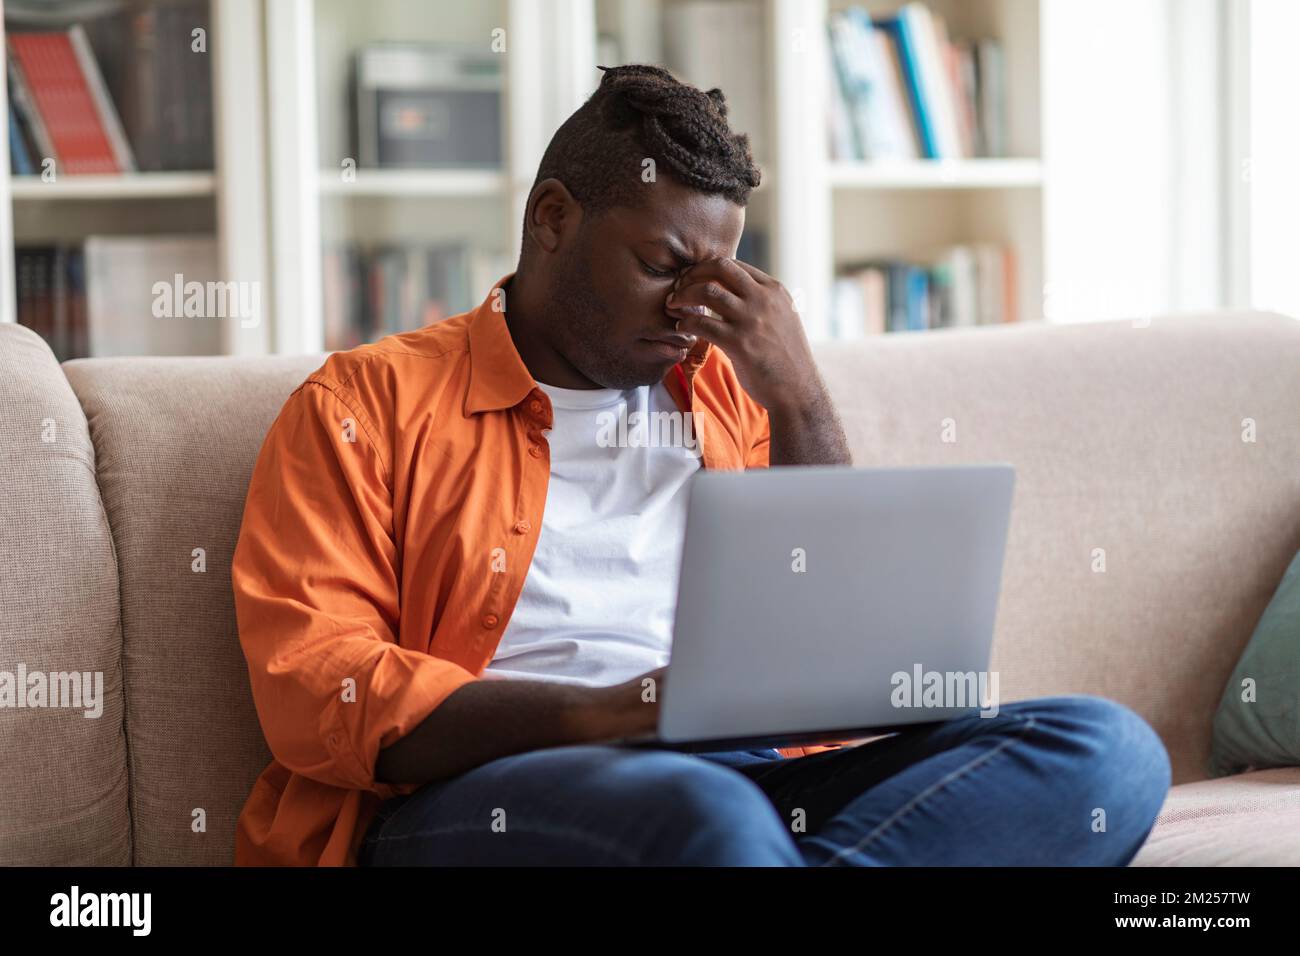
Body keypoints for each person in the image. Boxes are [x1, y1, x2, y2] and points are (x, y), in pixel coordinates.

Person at [231, 64, 1170, 866]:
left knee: (1105, 750)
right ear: (552, 219)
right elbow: (321, 687)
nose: (689, 309)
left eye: (713, 277)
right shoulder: (365, 406)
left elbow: (837, 647)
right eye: (662, 264)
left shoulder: (725, 395)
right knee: (707, 819)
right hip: (480, 797)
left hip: (751, 777)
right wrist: (603, 715)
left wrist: (798, 394)